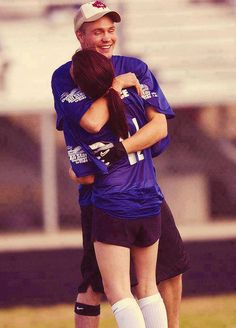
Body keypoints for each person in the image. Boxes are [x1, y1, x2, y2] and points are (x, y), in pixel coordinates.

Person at [51, 2, 190, 327]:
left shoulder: (136, 68)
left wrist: (116, 152)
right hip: (107, 195)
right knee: (93, 284)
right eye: (97, 31)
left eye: (111, 29)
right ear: (80, 36)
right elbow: (90, 121)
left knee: (166, 270)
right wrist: (115, 86)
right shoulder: (68, 74)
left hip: (135, 190)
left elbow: (160, 127)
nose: (106, 37)